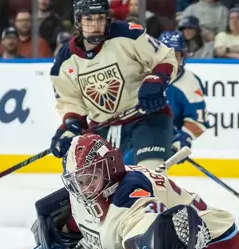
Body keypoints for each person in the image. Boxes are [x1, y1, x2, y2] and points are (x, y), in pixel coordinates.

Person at [33, 134, 239, 249]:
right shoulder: (93, 191)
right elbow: (88, 212)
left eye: (90, 179)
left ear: (110, 169)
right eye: (78, 182)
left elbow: (148, 247)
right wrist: (66, 230)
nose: (84, 189)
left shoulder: (131, 198)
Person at [50, 0, 178, 172]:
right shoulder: (64, 61)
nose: (95, 25)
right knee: (90, 184)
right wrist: (71, 126)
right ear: (78, 21)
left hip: (145, 117)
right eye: (89, 19)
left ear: (107, 19)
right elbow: (70, 101)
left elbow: (165, 57)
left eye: (100, 18)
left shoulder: (128, 34)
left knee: (149, 177)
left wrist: (156, 79)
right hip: (103, 126)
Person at [158, 30, 208, 157]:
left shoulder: (190, 82)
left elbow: (198, 119)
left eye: (176, 55)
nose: (171, 60)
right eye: (167, 55)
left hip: (165, 144)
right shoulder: (143, 75)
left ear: (182, 56)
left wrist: (183, 139)